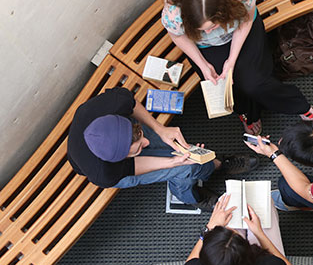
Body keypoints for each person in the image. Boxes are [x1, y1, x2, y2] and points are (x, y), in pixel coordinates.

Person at [161, 0, 313, 135]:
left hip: (241, 33)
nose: (208, 32)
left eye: (213, 26)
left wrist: (231, 60)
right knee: (224, 86)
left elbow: (245, 23)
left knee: (255, 83)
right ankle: (247, 114)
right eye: (201, 29)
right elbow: (178, 36)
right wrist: (203, 65)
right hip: (204, 47)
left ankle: (299, 106)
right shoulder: (173, 14)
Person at [67, 86, 256, 210]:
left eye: (140, 135)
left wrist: (160, 129)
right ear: (123, 156)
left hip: (123, 144)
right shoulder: (104, 173)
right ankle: (190, 196)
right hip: (120, 170)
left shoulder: (107, 105)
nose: (147, 143)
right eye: (139, 147)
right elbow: (135, 166)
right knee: (184, 168)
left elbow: (130, 103)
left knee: (182, 151)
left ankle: (213, 164)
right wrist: (172, 162)